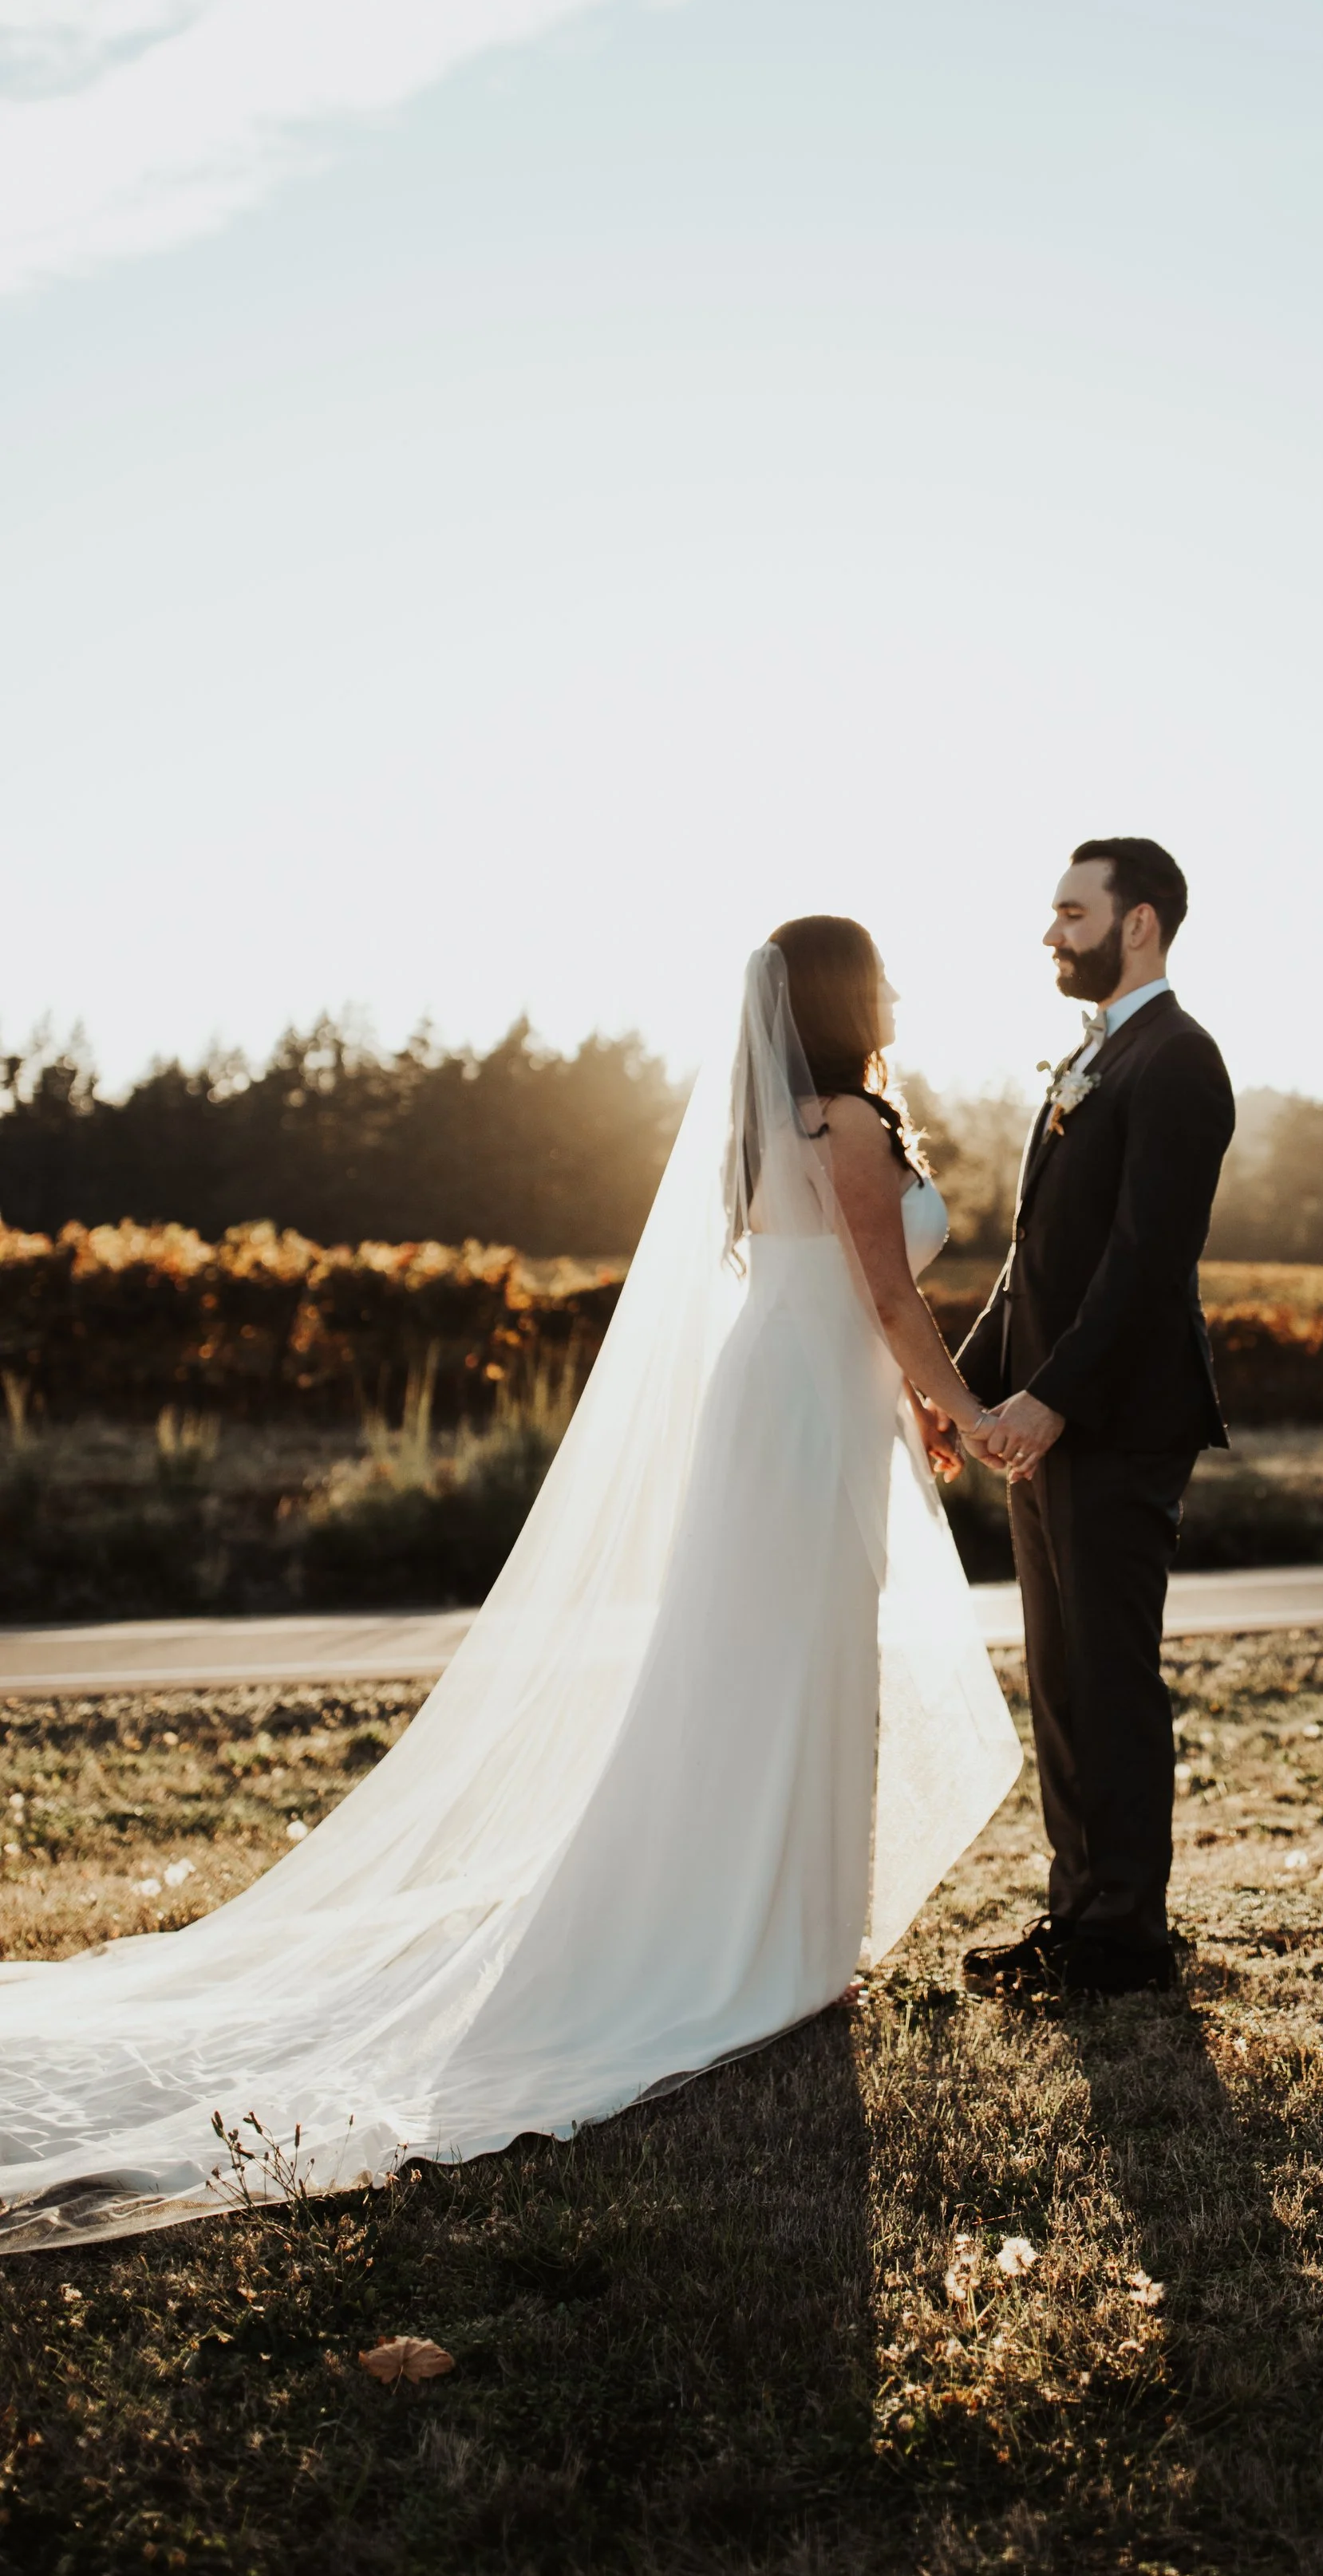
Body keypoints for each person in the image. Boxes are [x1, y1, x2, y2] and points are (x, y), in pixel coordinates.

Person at [0, 924, 1020, 2254]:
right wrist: (971, 1409)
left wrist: (912, 1407)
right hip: (813, 1418)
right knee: (803, 1668)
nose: (893, 992)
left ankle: (762, 1928)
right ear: (850, 996)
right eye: (877, 973)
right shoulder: (861, 1125)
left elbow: (827, 1297)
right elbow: (888, 1302)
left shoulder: (770, 1123)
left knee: (745, 1669)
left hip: (774, 1405)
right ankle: (775, 1947)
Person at [958, 838, 1234, 1999]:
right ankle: (1078, 1914)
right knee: (1061, 1675)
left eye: (1072, 912)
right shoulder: (1094, 1058)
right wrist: (968, 1385)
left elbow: (1140, 1263)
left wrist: (1051, 1397)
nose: (1051, 933)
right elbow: (1037, 1257)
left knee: (1110, 1675)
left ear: (1141, 924)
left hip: (1117, 1424)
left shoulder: (1179, 1062)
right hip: (1051, 1419)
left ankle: (1125, 1936)